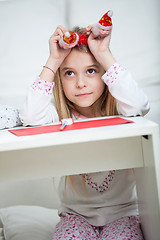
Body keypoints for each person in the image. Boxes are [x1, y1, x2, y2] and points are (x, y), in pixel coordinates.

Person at [20, 24, 150, 239]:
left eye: (91, 71)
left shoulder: (121, 109)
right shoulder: (59, 116)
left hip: (124, 214)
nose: (81, 83)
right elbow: (30, 116)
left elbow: (140, 105)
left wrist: (103, 53)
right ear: (60, 80)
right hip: (75, 216)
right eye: (69, 73)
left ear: (104, 74)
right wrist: (54, 60)